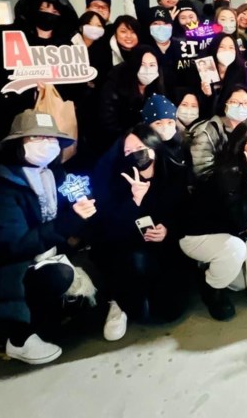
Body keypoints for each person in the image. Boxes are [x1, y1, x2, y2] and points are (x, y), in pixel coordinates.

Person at [0, 110, 96, 365]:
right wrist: (70, 222)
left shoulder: (51, 175)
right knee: (59, 277)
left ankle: (33, 315)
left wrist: (81, 217)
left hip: (38, 254)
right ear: (17, 144)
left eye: (51, 138)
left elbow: (62, 215)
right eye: (36, 138)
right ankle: (18, 337)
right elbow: (13, 245)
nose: (47, 145)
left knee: (69, 310)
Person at [90, 124, 190, 340]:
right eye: (127, 151)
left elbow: (186, 212)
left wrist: (168, 229)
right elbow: (109, 228)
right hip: (129, 249)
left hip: (166, 249)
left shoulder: (174, 172)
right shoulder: (119, 179)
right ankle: (118, 299)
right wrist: (135, 201)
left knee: (170, 311)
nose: (134, 154)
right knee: (139, 308)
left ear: (153, 145)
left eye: (139, 147)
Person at [179, 120, 247, 320]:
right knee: (235, 252)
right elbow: (240, 219)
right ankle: (210, 290)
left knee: (239, 284)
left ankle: (209, 269)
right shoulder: (228, 172)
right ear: (241, 147)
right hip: (197, 236)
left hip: (223, 231)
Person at [0, 0, 79, 144]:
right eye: (43, 10)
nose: (49, 15)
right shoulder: (3, 36)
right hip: (7, 119)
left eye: (55, 12)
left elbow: (74, 84)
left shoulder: (65, 45)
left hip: (52, 123)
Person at [97, 47, 167, 156]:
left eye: (152, 65)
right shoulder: (114, 85)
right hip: (118, 144)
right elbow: (108, 124)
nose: (148, 70)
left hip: (147, 141)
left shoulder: (157, 86)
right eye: (142, 64)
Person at [190, 85, 247, 181]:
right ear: (225, 104)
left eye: (246, 103)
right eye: (234, 102)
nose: (241, 107)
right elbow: (203, 172)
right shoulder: (206, 132)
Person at [90, 15, 143, 89]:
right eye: (123, 31)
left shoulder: (145, 53)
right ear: (115, 34)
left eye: (133, 32)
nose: (128, 36)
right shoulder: (103, 53)